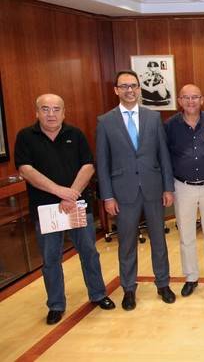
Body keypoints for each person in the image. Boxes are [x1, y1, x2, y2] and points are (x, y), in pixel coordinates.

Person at [15, 94, 115, 325]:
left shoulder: (75, 135)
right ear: (37, 112)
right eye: (45, 109)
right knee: (51, 259)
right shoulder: (26, 137)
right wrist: (60, 192)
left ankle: (98, 294)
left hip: (78, 205)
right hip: (47, 209)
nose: (51, 114)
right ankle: (56, 305)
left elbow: (88, 166)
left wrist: (72, 194)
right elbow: (26, 170)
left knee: (89, 252)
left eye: (56, 109)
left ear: (64, 112)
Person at [96, 70, 176, 310]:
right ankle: (129, 289)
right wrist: (107, 196)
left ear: (139, 89)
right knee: (127, 244)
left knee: (159, 241)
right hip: (123, 193)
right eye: (124, 86)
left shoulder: (153, 117)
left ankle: (163, 284)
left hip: (153, 190)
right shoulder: (105, 121)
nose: (129, 90)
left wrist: (168, 187)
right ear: (116, 90)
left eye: (133, 85)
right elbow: (102, 162)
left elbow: (163, 156)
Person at [165, 84, 204, 297]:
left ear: (202, 100)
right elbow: (164, 159)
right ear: (180, 101)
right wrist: (167, 188)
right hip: (182, 186)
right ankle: (191, 277)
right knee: (187, 235)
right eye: (186, 98)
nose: (191, 102)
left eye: (195, 98)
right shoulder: (170, 126)